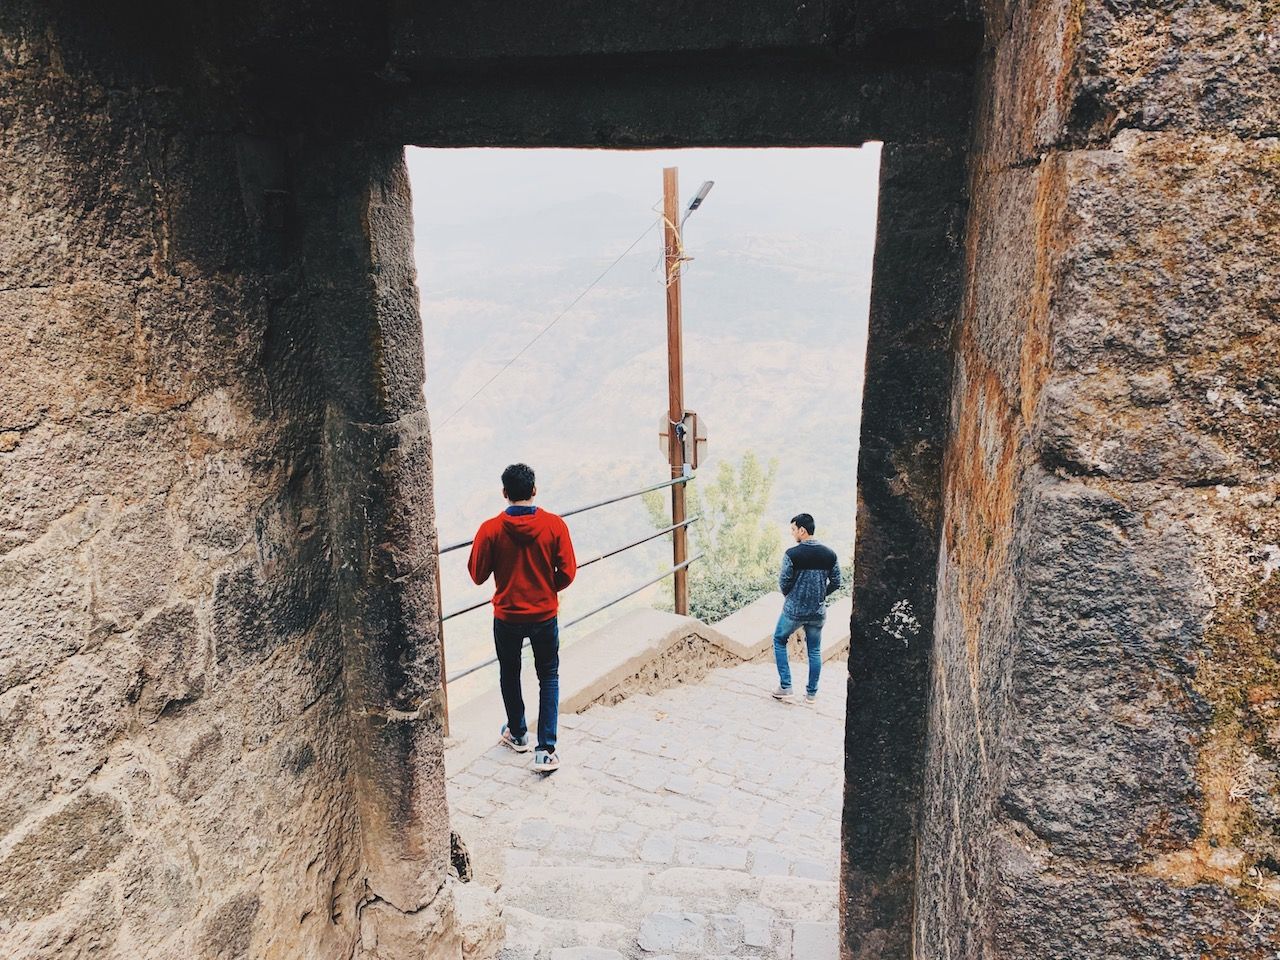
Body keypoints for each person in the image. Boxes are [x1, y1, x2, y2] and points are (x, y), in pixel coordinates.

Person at [467, 463, 577, 772]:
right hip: (544, 614)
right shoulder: (554, 526)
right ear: (534, 490)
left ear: (504, 493)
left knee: (510, 673)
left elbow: (477, 575)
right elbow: (567, 572)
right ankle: (545, 750)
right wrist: (545, 587)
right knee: (549, 676)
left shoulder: (490, 530)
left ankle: (517, 732)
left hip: (507, 616)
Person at [771, 512, 840, 704]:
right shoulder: (830, 554)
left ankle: (786, 687)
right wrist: (820, 594)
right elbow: (837, 582)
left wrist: (791, 596)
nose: (792, 534)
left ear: (802, 530)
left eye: (793, 530)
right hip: (817, 612)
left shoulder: (792, 554)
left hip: (794, 610)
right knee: (815, 651)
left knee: (779, 639)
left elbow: (784, 581)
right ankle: (811, 694)